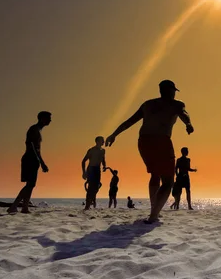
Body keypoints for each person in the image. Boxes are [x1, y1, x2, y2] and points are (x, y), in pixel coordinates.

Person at [105, 80, 194, 223]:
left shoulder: (148, 104)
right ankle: (153, 215)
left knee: (155, 175)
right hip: (162, 141)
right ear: (170, 90)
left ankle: (154, 209)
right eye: (173, 91)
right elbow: (184, 113)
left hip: (144, 142)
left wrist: (114, 134)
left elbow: (130, 121)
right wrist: (188, 124)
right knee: (168, 181)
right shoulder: (176, 104)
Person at [7, 111, 52, 214]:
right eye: (48, 118)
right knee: (30, 184)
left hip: (34, 159)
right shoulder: (34, 129)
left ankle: (25, 207)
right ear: (42, 119)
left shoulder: (38, 130)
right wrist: (41, 162)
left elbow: (37, 149)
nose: (50, 120)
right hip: (30, 158)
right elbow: (32, 146)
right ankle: (13, 206)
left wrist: (40, 161)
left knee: (31, 184)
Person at [82, 136, 106, 210]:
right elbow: (83, 161)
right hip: (91, 169)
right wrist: (84, 172)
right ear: (97, 141)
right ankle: (87, 205)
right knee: (90, 188)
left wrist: (104, 166)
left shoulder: (103, 150)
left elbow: (103, 159)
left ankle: (90, 201)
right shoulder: (91, 150)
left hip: (97, 170)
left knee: (96, 187)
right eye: (102, 140)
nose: (103, 142)